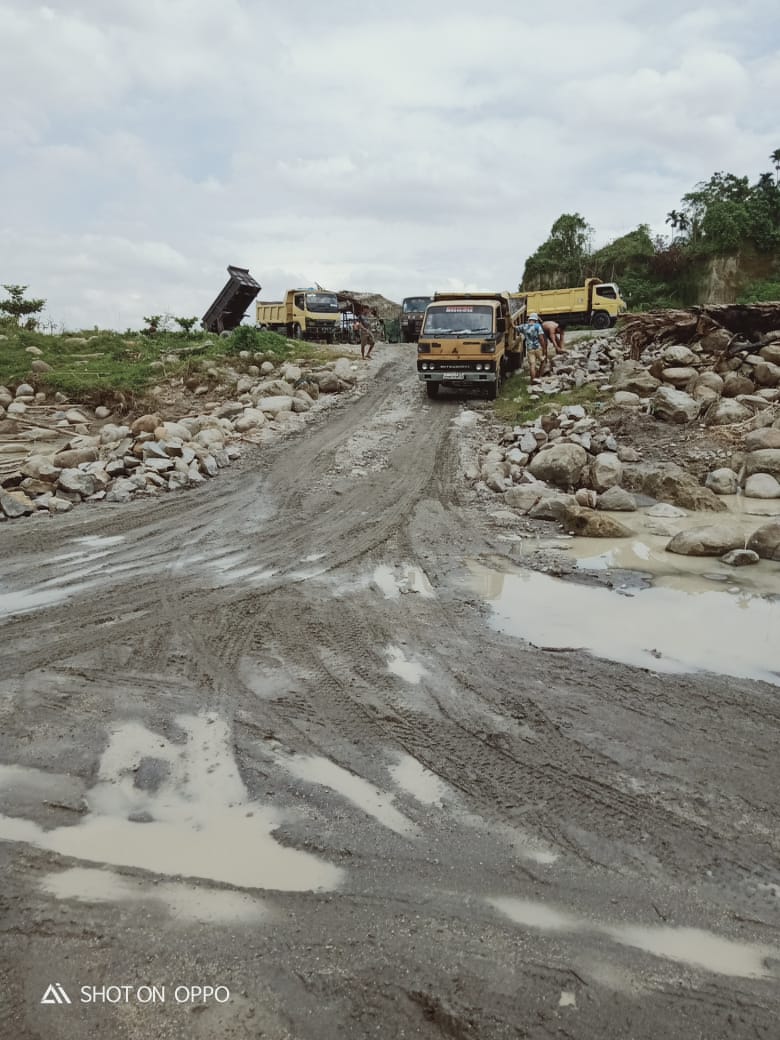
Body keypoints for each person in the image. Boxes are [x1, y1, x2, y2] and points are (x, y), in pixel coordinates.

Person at [518, 313, 546, 381]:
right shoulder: (537, 326)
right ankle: (539, 376)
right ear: (536, 320)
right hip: (538, 348)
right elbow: (541, 338)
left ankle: (533, 380)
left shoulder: (524, 326)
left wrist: (510, 320)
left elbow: (515, 327)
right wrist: (544, 348)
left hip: (530, 349)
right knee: (543, 360)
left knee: (532, 365)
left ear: (529, 319)